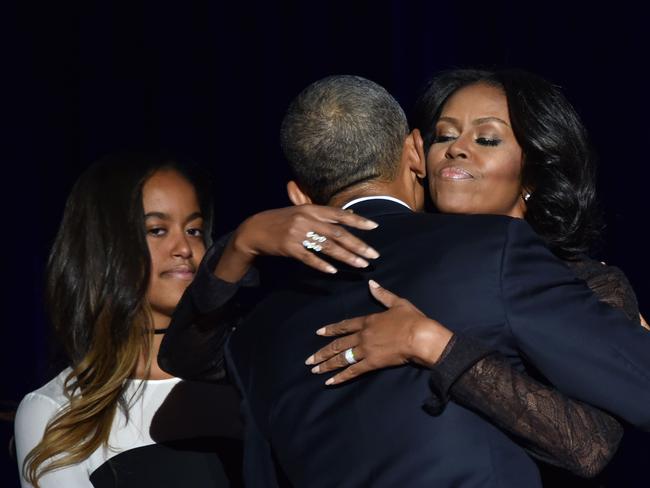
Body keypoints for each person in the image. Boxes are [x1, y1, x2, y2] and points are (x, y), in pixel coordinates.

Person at [161, 75, 650, 487]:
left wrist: (434, 344)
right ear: (418, 154)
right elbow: (194, 355)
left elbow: (589, 445)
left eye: (486, 138)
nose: (457, 148)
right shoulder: (339, 282)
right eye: (443, 135)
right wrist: (240, 243)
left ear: (533, 173)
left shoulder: (586, 282)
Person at [14, 153, 243, 487]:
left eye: (194, 229)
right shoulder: (57, 412)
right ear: (106, 248)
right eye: (156, 230)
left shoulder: (248, 371)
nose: (184, 247)